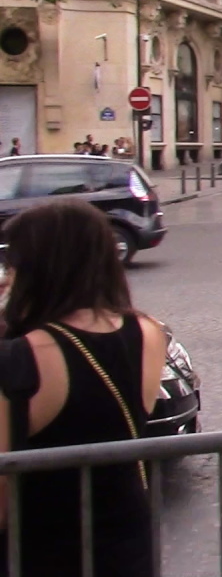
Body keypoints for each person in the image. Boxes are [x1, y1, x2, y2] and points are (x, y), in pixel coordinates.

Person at [0, 199, 168, 576]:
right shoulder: (148, 331)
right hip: (125, 540)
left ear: (38, 268)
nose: (7, 275)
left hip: (42, 549)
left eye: (13, 263)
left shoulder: (23, 358)